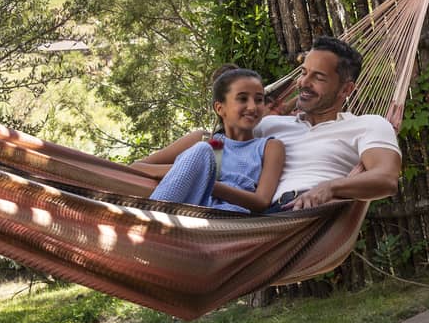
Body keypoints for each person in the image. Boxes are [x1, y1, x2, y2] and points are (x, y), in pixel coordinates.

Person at [256, 36, 401, 211]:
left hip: (312, 214)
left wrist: (331, 187)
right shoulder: (269, 125)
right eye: (303, 73)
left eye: (318, 78)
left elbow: (386, 179)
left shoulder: (367, 125)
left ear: (346, 89)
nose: (303, 82)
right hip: (261, 217)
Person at [136, 67, 287, 212]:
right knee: (203, 149)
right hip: (189, 207)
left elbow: (261, 201)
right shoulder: (207, 141)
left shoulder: (269, 146)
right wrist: (189, 171)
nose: (253, 107)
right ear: (220, 108)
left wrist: (206, 181)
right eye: (242, 99)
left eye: (259, 100)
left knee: (203, 151)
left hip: (230, 216)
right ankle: (150, 218)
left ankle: (149, 219)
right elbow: (138, 167)